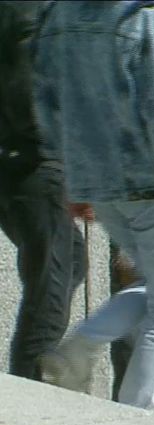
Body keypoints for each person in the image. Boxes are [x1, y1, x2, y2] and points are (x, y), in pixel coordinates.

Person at [32, 0, 154, 410]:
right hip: (150, 184)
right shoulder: (148, 17)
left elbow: (47, 104)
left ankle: (83, 343)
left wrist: (73, 176)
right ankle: (135, 412)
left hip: (100, 185)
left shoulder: (59, 15)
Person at [0, 0, 85, 382]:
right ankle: (26, 399)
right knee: (48, 299)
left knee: (73, 264)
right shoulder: (32, 9)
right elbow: (26, 85)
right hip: (35, 162)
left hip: (19, 158)